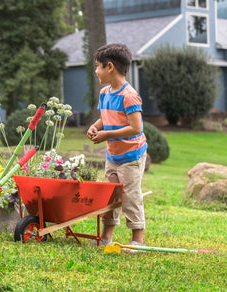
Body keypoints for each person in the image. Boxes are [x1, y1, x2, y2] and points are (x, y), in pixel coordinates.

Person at [87, 43, 148, 247]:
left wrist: (107, 135)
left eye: (98, 66)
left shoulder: (129, 96)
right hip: (113, 156)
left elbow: (136, 128)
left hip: (131, 155)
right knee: (110, 196)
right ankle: (106, 238)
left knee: (130, 197)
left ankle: (137, 241)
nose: (96, 71)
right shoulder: (105, 93)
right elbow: (104, 117)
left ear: (110, 67)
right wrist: (95, 127)